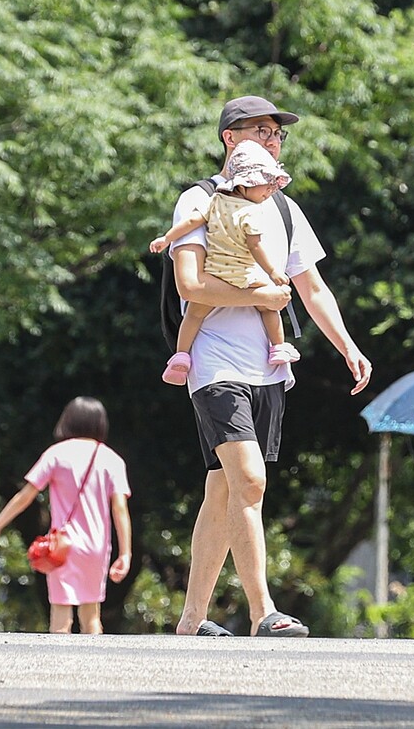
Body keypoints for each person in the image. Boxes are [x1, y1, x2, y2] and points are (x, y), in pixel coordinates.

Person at [170, 95, 372, 639]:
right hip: (214, 365)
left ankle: (191, 620)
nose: (274, 138)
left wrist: (347, 346)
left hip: (268, 367)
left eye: (279, 133)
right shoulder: (201, 199)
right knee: (250, 481)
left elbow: (310, 286)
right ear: (230, 138)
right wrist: (259, 293)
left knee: (222, 488)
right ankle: (265, 613)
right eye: (262, 129)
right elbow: (190, 285)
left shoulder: (283, 208)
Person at [149, 139, 299, 385]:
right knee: (269, 305)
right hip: (244, 275)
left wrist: (166, 238)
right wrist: (273, 273)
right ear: (246, 184)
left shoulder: (215, 201)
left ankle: (181, 356)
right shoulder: (251, 212)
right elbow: (256, 246)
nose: (269, 190)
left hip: (215, 273)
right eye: (265, 184)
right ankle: (279, 346)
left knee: (195, 315)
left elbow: (191, 221)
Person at [0, 396, 132, 634]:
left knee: (61, 617)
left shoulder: (56, 454)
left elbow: (26, 496)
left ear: (68, 421)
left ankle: (59, 667)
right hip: (96, 547)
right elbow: (120, 508)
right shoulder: (111, 459)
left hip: (63, 546)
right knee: (91, 616)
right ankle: (96, 667)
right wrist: (125, 552)